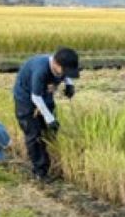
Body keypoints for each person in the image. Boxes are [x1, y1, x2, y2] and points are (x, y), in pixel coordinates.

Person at [13, 47, 80, 181]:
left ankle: (53, 162)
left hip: (45, 93)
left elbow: (64, 75)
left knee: (51, 131)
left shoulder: (61, 65)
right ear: (56, 64)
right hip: (27, 99)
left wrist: (69, 85)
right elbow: (35, 97)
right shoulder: (40, 70)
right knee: (34, 135)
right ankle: (40, 172)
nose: (65, 74)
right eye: (65, 71)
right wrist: (50, 118)